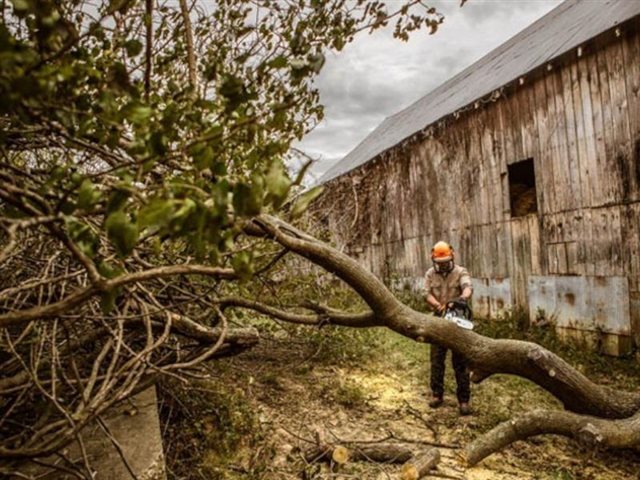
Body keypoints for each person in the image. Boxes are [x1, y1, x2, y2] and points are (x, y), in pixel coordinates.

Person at [424, 241, 473, 415]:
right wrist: (438, 305)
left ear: (451, 257)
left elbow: (468, 287)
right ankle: (437, 395)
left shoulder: (460, 271)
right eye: (440, 262)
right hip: (438, 320)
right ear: (434, 261)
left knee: (460, 362)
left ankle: (464, 400)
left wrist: (461, 300)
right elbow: (426, 294)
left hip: (457, 320)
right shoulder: (430, 274)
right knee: (437, 360)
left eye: (446, 261)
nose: (443, 265)